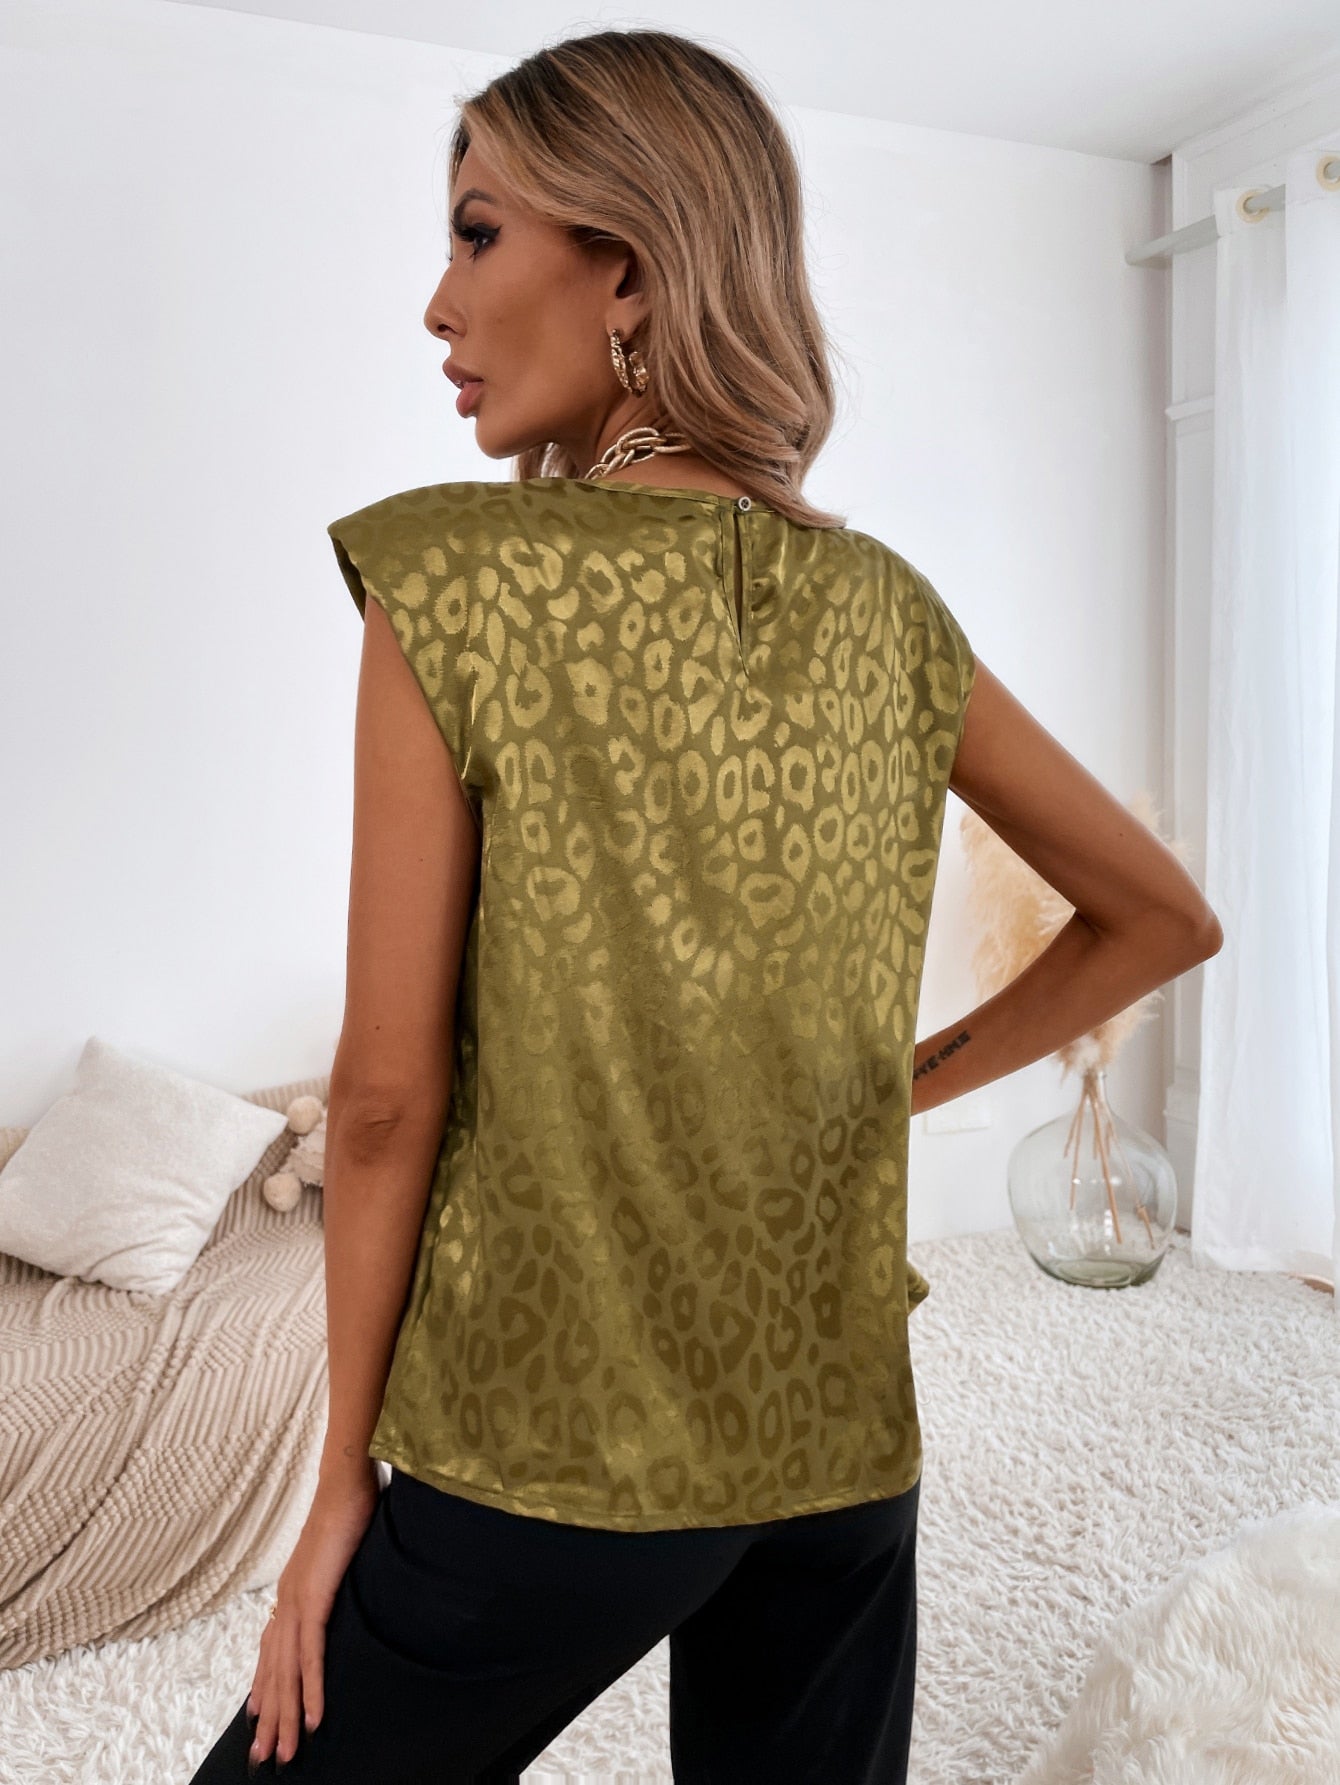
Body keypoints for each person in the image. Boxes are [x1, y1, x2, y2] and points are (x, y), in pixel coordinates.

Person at [187, 26, 1222, 1785]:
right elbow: (1162, 917)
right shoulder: (889, 607)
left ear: (633, 271)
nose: (438, 303)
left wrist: (340, 1478)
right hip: (837, 1449)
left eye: (477, 233)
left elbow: (381, 1101)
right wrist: (896, 1086)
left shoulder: (456, 576)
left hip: (555, 1453)